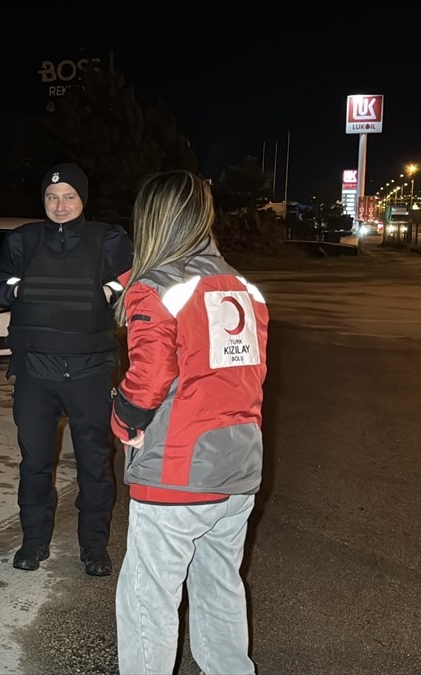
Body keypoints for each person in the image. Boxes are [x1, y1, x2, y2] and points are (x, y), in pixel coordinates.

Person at [110, 170, 269, 675]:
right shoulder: (243, 287)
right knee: (220, 585)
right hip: (238, 463)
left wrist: (122, 418)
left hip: (177, 471)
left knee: (147, 597)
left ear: (152, 220)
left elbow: (151, 373)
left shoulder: (155, 287)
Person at [0, 162, 132, 576]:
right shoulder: (23, 240)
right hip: (35, 370)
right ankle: (33, 543)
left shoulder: (108, 238)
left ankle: (94, 548)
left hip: (89, 370)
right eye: (52, 197)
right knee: (34, 463)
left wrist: (107, 289)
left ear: (82, 199)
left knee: (95, 464)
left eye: (68, 196)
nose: (60, 205)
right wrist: (24, 288)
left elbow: (132, 277)